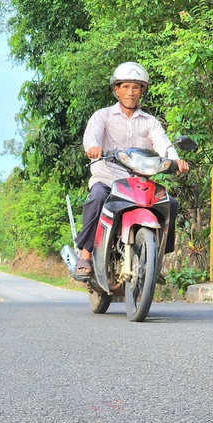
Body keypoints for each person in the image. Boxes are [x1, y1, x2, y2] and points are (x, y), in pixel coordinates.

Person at [74, 61, 190, 277]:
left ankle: (158, 259)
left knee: (170, 204)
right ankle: (86, 254)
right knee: (97, 198)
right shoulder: (103, 116)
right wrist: (92, 147)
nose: (130, 92)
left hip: (139, 183)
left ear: (142, 91)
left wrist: (176, 161)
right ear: (116, 90)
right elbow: (92, 136)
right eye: (125, 87)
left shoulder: (150, 122)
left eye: (136, 88)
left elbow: (163, 144)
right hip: (108, 179)